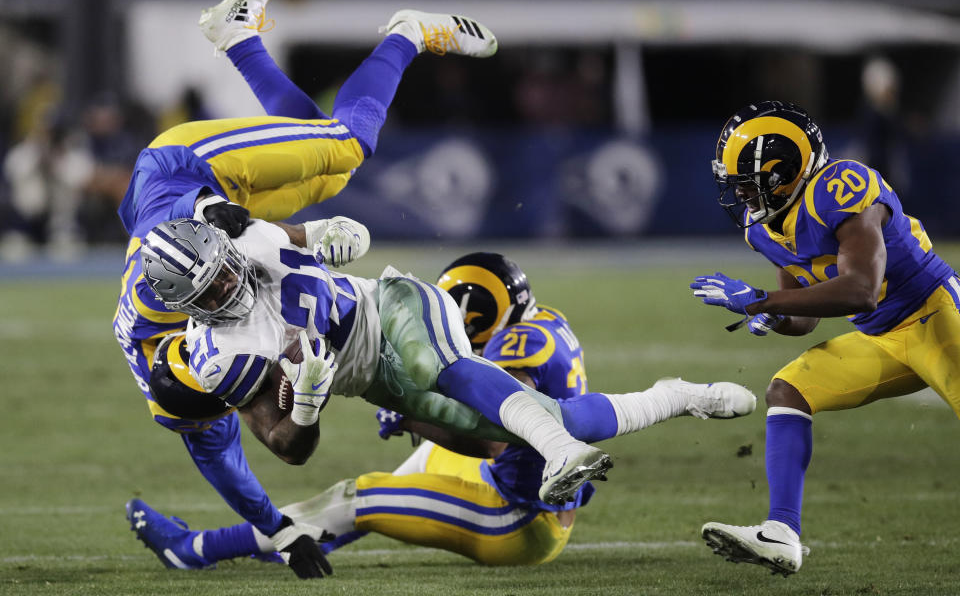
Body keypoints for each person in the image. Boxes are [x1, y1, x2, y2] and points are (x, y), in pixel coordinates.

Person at [115, 0, 500, 578]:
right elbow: (223, 464)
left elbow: (172, 217)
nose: (229, 308)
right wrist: (279, 528)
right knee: (332, 170)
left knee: (347, 142)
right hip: (206, 213)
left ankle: (409, 33)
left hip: (183, 175)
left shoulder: (165, 278)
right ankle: (239, 38)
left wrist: (276, 227)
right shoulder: (189, 400)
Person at [128, 251, 757, 567]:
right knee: (526, 413)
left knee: (359, 496)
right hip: (527, 473)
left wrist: (409, 419)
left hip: (517, 511)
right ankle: (678, 396)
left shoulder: (514, 348)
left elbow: (494, 446)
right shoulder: (544, 324)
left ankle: (199, 549)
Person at [689, 100, 960, 576]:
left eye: (750, 186)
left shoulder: (839, 188)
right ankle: (781, 533)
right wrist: (775, 314)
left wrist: (760, 301)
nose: (743, 198)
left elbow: (862, 291)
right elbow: (805, 316)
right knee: (789, 390)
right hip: (882, 337)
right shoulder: (765, 229)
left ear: (786, 173)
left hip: (935, 314)